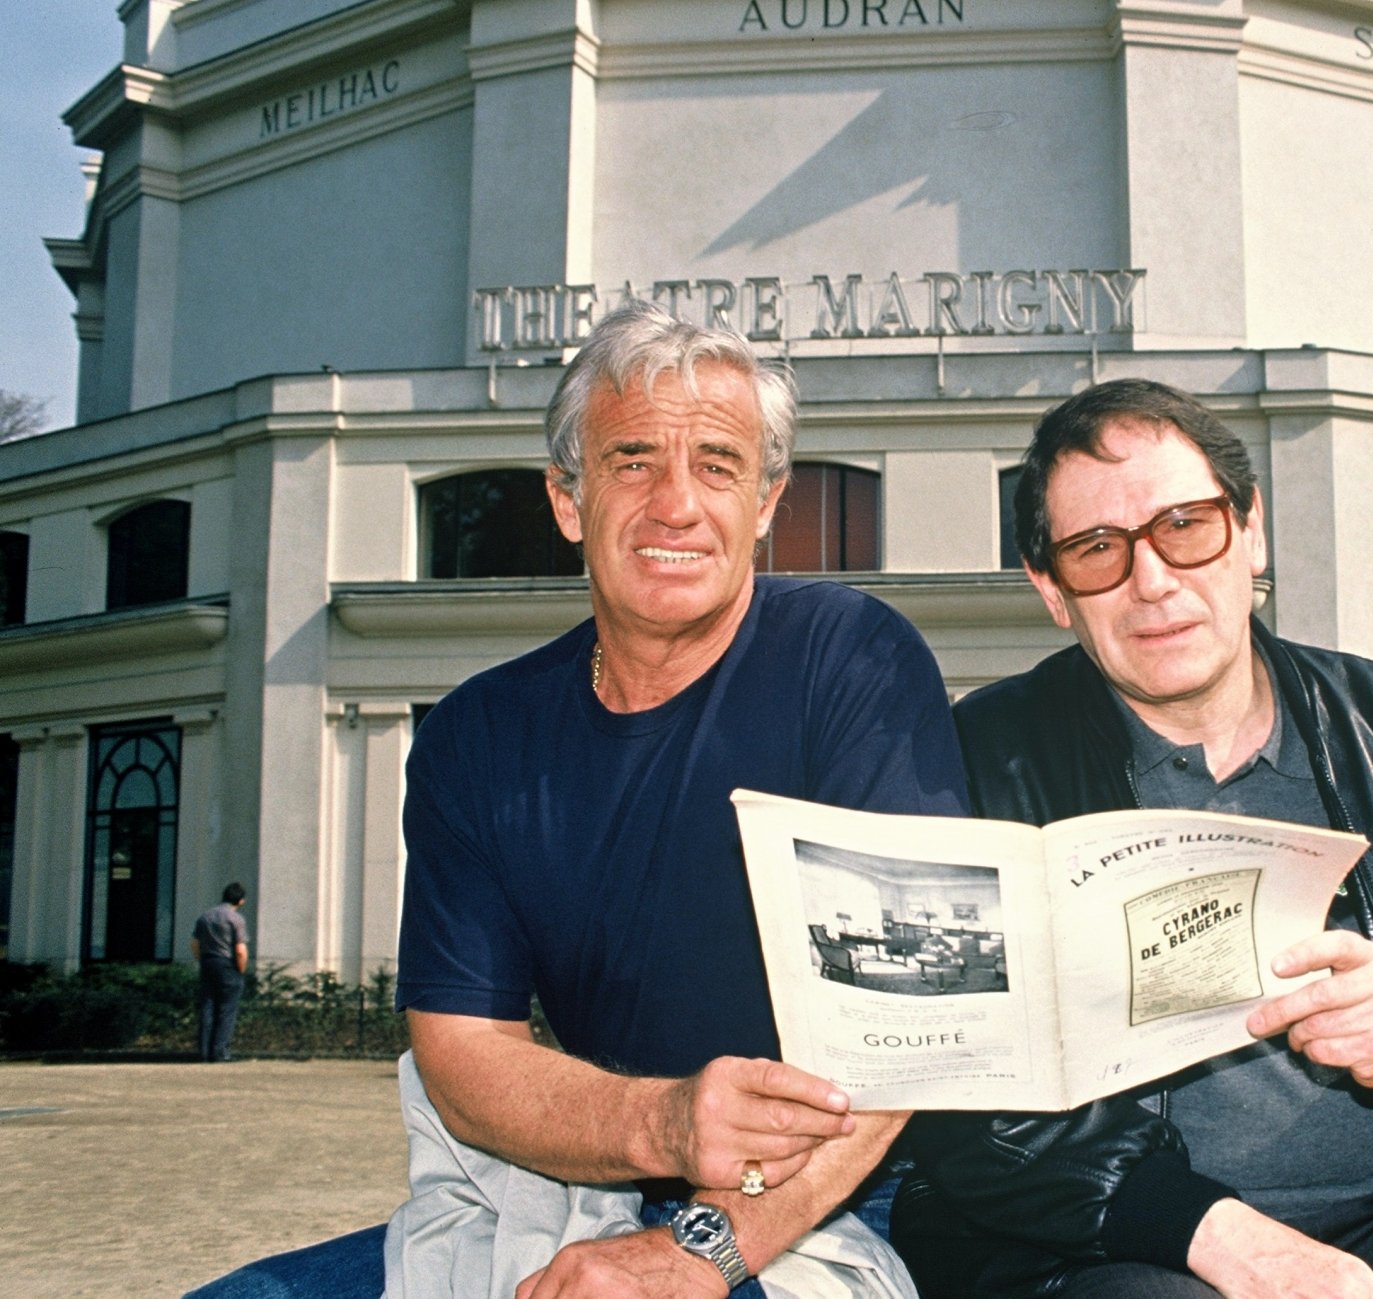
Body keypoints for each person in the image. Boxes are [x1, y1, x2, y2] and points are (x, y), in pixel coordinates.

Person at [185, 303, 968, 1299]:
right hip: (585, 1185)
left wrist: (696, 1252)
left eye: (718, 466)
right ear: (567, 498)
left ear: (767, 502)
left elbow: (917, 1026)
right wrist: (665, 1124)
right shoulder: (478, 736)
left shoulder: (848, 657)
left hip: (841, 1200)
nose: (675, 504)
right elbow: (464, 1051)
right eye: (632, 461)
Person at [892, 379, 1373, 1299]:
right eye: (1097, 549)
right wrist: (1216, 1234)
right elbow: (961, 1089)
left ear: (1251, 531)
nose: (1152, 580)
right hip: (1112, 1232)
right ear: (1051, 589)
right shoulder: (980, 761)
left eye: (1187, 525)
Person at [192, 882, 250, 1063]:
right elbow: (240, 949)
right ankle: (220, 1051)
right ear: (240, 901)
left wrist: (202, 960)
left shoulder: (205, 916)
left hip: (208, 962)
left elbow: (195, 944)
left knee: (207, 1007)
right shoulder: (236, 919)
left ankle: (204, 1051)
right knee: (226, 1010)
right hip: (227, 965)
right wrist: (240, 970)